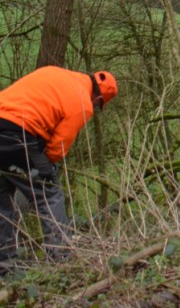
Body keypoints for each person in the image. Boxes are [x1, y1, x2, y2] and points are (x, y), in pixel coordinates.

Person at [0, 67, 118, 266]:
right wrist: (46, 167)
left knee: (3, 201)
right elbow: (58, 147)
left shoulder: (58, 74)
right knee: (50, 194)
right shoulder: (83, 102)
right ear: (98, 100)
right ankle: (61, 258)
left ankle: (5, 266)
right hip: (18, 134)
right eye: (99, 105)